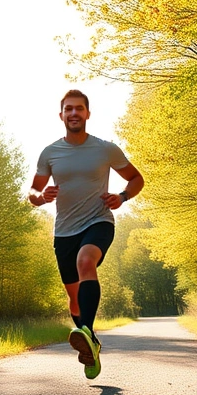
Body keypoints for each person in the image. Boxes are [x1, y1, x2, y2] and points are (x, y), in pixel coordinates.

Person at [28, 89, 144, 379]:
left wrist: (123, 196)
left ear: (88, 114)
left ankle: (87, 334)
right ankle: (89, 346)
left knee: (85, 262)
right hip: (64, 231)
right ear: (61, 115)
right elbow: (32, 190)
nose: (74, 113)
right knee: (74, 297)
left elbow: (136, 178)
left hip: (98, 221)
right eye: (69, 109)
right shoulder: (50, 153)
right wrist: (41, 197)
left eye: (79, 108)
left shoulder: (106, 149)